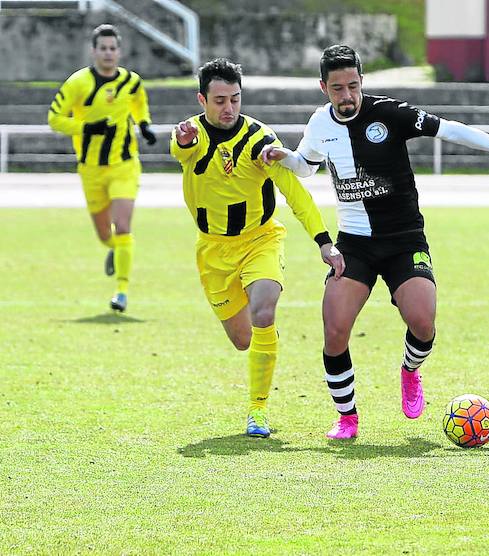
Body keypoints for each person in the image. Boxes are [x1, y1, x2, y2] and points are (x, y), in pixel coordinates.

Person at [261, 45, 489, 440]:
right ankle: (347, 417)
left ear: (362, 81)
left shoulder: (389, 114)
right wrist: (284, 156)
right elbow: (306, 167)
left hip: (403, 238)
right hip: (354, 244)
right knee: (335, 328)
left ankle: (410, 371)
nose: (347, 96)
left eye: (353, 86)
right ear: (323, 87)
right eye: (338, 88)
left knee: (423, 322)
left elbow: (451, 129)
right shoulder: (319, 124)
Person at [170, 58, 344, 438]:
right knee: (242, 339)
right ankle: (262, 346)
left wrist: (323, 242)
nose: (228, 107)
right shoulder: (190, 136)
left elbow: (296, 195)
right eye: (219, 100)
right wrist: (182, 141)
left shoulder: (260, 140)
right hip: (213, 251)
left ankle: (258, 411)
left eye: (234, 98)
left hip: (260, 240)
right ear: (202, 99)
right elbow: (182, 149)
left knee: (263, 312)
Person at [48, 24, 156, 312]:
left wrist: (144, 125)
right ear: (93, 51)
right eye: (103, 48)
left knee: (122, 226)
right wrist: (86, 128)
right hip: (91, 169)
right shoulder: (77, 83)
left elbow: (139, 104)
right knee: (104, 234)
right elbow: (55, 119)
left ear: (119, 52)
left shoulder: (132, 82)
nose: (108, 53)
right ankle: (115, 250)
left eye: (113, 48)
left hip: (124, 165)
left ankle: (121, 291)